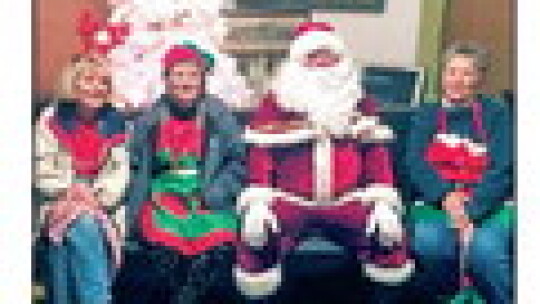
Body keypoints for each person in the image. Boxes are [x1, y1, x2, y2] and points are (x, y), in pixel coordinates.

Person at [234, 22, 414, 303]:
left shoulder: (360, 103)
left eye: (327, 55)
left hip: (348, 201)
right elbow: (261, 156)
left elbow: (376, 156)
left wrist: (382, 202)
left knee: (387, 238)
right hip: (290, 201)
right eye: (313, 56)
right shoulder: (276, 103)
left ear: (340, 60)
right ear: (298, 61)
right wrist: (258, 203)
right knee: (257, 240)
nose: (321, 62)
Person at [114, 43, 245, 304]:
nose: (186, 82)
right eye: (179, 74)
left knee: (219, 244)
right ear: (166, 78)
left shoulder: (218, 115)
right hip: (162, 197)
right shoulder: (150, 119)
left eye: (192, 75)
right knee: (165, 249)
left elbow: (237, 161)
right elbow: (135, 164)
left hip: (206, 195)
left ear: (202, 80)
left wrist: (216, 194)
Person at [405, 41, 514, 304]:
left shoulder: (497, 113)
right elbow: (415, 162)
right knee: (430, 246)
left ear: (479, 78)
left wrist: (472, 211)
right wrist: (446, 197)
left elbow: (502, 167)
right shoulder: (427, 113)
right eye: (451, 71)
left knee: (485, 252)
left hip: (486, 203)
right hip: (439, 202)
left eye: (466, 73)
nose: (457, 80)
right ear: (443, 76)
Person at [34, 53, 129, 304]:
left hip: (102, 202)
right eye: (89, 80)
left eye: (103, 82)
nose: (96, 87)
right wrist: (70, 190)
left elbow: (121, 172)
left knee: (84, 225)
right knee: (79, 226)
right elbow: (42, 170)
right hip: (59, 197)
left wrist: (97, 196)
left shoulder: (117, 122)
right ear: (73, 84)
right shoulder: (51, 121)